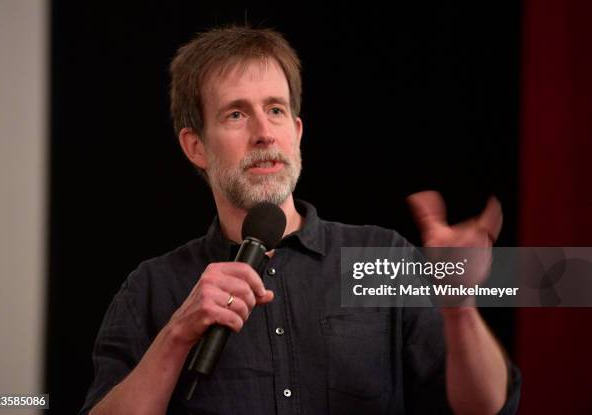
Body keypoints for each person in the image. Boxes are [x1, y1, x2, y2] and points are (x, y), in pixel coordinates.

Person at [80, 26, 521, 415]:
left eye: (275, 110)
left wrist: (460, 308)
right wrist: (177, 336)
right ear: (195, 147)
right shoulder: (154, 289)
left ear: (297, 131)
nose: (264, 133)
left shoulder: (383, 257)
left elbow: (487, 407)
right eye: (236, 114)